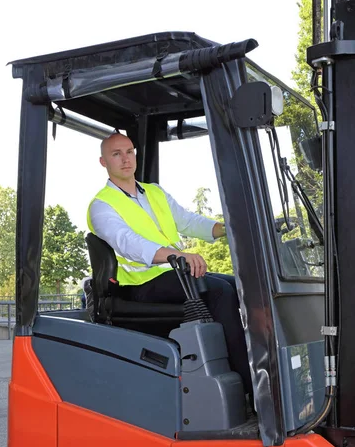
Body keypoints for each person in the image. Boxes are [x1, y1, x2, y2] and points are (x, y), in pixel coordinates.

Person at [87, 132, 252, 396]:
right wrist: (177, 256)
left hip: (173, 273)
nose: (125, 159)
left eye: (129, 152)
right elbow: (127, 242)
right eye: (116, 154)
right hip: (142, 284)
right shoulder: (102, 205)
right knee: (221, 292)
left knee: (242, 285)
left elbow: (187, 221)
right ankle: (248, 387)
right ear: (103, 162)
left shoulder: (154, 193)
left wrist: (229, 229)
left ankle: (255, 366)